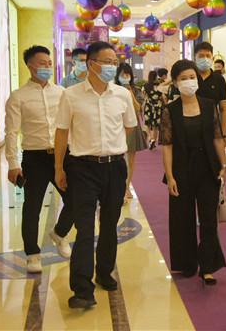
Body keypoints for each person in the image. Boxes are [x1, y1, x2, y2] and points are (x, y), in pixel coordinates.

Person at [54, 41, 137, 310]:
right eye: (107, 61)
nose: (112, 66)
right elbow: (61, 133)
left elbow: (128, 127)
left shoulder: (122, 95)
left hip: (114, 167)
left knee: (110, 224)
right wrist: (59, 168)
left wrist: (111, 146)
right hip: (82, 168)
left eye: (114, 62)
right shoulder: (71, 95)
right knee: (85, 228)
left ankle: (104, 272)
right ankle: (82, 289)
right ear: (91, 64)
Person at [5, 45, 74, 273]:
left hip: (62, 155)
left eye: (49, 63)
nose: (47, 67)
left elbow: (70, 125)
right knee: (32, 207)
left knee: (76, 198)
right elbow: (11, 132)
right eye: (42, 63)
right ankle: (32, 255)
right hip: (34, 158)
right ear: (30, 66)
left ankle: (59, 233)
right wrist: (13, 164)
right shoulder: (18, 97)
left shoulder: (62, 93)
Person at [160, 59, 226, 286]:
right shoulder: (170, 110)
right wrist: (170, 176)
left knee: (208, 219)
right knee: (182, 218)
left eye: (192, 77)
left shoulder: (208, 105)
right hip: (181, 169)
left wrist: (223, 165)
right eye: (183, 78)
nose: (189, 81)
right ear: (175, 83)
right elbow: (167, 145)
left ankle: (208, 267)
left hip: (207, 167)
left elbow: (217, 137)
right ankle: (186, 263)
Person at [116, 63, 148, 202]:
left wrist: (130, 94)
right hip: (117, 127)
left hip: (133, 127)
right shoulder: (113, 89)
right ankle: (118, 186)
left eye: (127, 74)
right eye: (122, 74)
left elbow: (138, 108)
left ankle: (127, 186)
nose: (125, 77)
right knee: (118, 159)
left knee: (131, 159)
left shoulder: (136, 90)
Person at [194, 42, 226, 136]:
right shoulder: (190, 77)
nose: (205, 58)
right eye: (201, 56)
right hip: (191, 126)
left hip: (212, 127)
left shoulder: (219, 79)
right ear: (195, 58)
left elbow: (223, 109)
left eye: (208, 56)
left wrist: (223, 133)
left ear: (212, 58)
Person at [143, 68, 168, 149]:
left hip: (149, 106)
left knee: (148, 124)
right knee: (156, 126)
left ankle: (150, 138)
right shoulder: (159, 85)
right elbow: (163, 97)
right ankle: (154, 139)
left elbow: (144, 96)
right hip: (158, 107)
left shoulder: (146, 86)